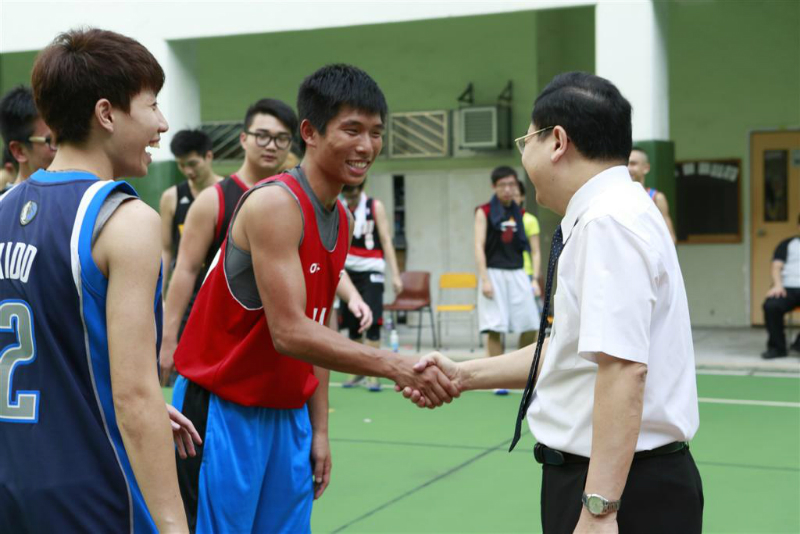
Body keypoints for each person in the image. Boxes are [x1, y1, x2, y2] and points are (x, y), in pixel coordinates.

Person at [404, 72, 703, 534]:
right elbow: (568, 347)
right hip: (620, 480)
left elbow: (624, 369)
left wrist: (600, 509)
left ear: (557, 142)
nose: (524, 156)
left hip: (618, 490)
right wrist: (463, 374)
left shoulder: (608, 223)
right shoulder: (617, 211)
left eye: (527, 141)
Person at [170, 64, 457, 534]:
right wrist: (396, 364)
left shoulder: (341, 219)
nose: (366, 146)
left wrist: (320, 430)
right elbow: (289, 332)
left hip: (288, 414)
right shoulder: (274, 204)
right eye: (352, 130)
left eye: (376, 132)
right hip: (223, 407)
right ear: (310, 132)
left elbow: (317, 330)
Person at [0, 28, 200, 533]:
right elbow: (134, 398)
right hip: (92, 493)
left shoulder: (3, 209)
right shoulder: (125, 219)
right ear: (106, 114)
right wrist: (175, 525)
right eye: (152, 105)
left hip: (14, 484)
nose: (162, 123)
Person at [159, 98, 298, 381]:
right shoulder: (213, 200)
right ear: (244, 139)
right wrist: (169, 337)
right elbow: (185, 269)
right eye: (262, 136)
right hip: (217, 341)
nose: (272, 145)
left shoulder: (296, 200)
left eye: (281, 138)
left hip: (277, 343)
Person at [339, 179, 404, 391]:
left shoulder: (374, 206)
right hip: (348, 271)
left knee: (373, 321)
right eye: (347, 195)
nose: (351, 199)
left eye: (354, 194)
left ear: (361, 189)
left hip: (372, 269)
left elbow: (386, 240)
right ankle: (356, 371)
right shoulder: (340, 206)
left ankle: (373, 374)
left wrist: (396, 275)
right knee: (353, 324)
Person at [474, 166, 540, 367]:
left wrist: (534, 279)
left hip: (518, 273)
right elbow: (478, 246)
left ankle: (518, 369)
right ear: (494, 187)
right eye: (502, 185)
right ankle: (496, 374)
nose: (507, 189)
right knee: (495, 327)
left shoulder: (522, 215)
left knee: (531, 324)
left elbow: (535, 251)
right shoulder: (484, 211)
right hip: (493, 273)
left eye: (511, 184)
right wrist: (485, 279)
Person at [160, 129, 222, 285]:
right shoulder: (171, 197)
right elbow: (166, 249)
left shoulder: (230, 192)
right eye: (182, 165)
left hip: (220, 285)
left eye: (193, 164)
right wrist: (160, 292)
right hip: (186, 288)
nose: (188, 171)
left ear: (209, 156)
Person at [0, 86, 57, 192]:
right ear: (19, 151)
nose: (61, 150)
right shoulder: (6, 202)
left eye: (61, 138)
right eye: (49, 141)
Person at [762, 214, 800, 359]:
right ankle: (777, 348)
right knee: (771, 306)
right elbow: (776, 266)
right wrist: (778, 285)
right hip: (787, 288)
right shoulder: (787, 244)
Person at [627, 147, 677, 243]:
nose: (628, 168)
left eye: (633, 164)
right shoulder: (615, 197)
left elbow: (670, 237)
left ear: (646, 168)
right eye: (626, 164)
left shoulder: (657, 198)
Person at [514, 179, 542, 299]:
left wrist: (535, 279)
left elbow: (535, 252)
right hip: (505, 273)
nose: (512, 198)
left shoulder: (529, 220)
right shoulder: (497, 220)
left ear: (522, 197)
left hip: (525, 273)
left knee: (535, 308)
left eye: (515, 195)